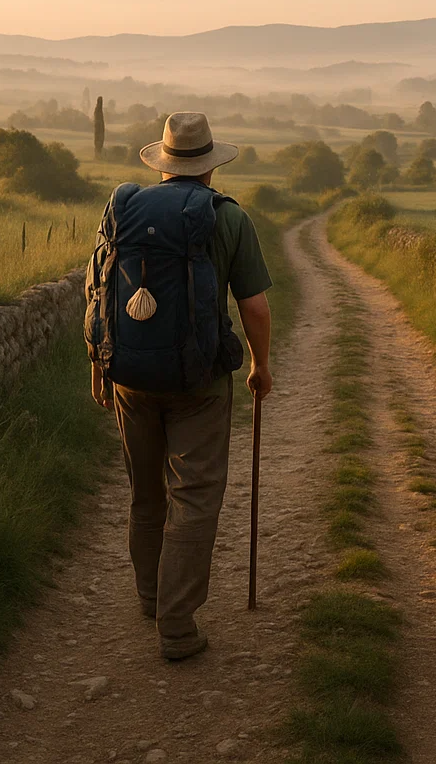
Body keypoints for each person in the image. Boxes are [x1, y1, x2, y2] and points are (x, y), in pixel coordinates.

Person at [88, 111, 275, 661]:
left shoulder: (123, 207)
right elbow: (255, 306)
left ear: (164, 163)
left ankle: (151, 597)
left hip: (129, 378)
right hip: (198, 382)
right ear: (211, 168)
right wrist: (261, 366)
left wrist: (99, 364)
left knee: (146, 492)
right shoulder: (228, 218)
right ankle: (176, 625)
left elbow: (97, 293)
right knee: (193, 498)